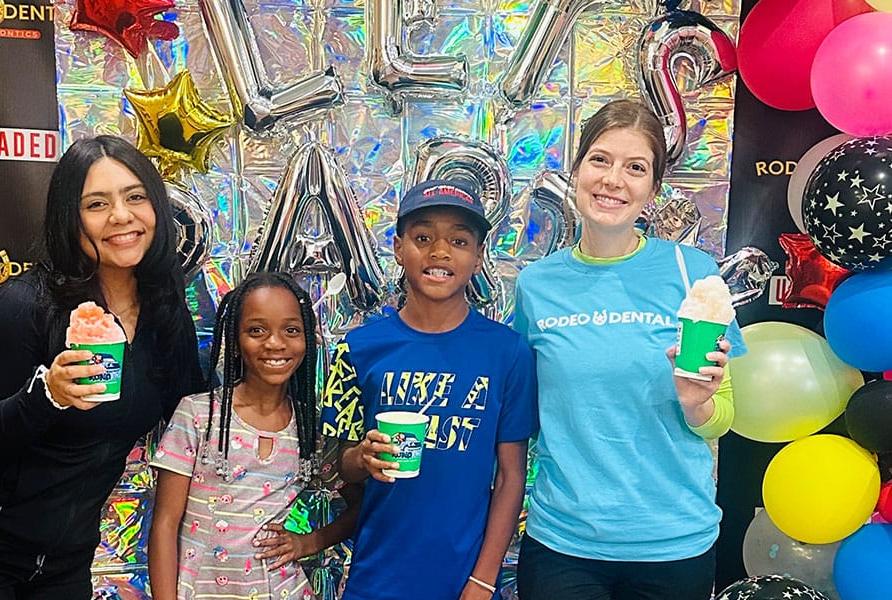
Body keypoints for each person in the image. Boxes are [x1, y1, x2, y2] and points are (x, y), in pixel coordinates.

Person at [0, 135, 204, 599]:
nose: (121, 216)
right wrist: (48, 396)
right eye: (97, 204)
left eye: (136, 196)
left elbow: (190, 408)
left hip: (65, 557)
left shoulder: (166, 307)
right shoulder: (26, 304)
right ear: (71, 218)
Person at [513, 98, 747, 600]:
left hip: (673, 543)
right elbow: (528, 410)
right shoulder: (537, 285)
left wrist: (696, 402)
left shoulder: (693, 273)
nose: (613, 180)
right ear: (576, 170)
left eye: (635, 167)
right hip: (564, 543)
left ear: (653, 189)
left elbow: (723, 415)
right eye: (600, 160)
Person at [320, 179, 538, 600]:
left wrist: (483, 579)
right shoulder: (359, 348)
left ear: (477, 259)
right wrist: (361, 458)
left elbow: (512, 476)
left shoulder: (506, 352)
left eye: (458, 240)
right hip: (376, 579)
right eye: (423, 238)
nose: (440, 252)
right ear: (399, 249)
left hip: (463, 581)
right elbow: (335, 467)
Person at [149, 271, 362, 600]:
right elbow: (164, 524)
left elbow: (360, 506)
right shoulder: (198, 415)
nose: (275, 343)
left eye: (291, 330)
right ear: (234, 342)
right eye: (256, 330)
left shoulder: (310, 430)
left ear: (308, 341)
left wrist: (307, 542)